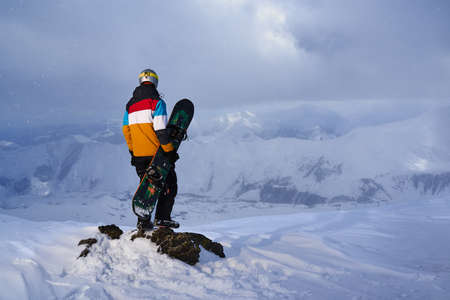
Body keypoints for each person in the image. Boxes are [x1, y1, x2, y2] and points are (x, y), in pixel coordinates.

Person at [122, 68, 179, 230]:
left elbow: (126, 131)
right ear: (155, 82)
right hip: (156, 155)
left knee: (146, 189)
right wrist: (169, 150)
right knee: (169, 185)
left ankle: (143, 221)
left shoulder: (130, 105)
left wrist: (133, 151)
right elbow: (160, 129)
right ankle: (162, 218)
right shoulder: (157, 102)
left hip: (139, 156)